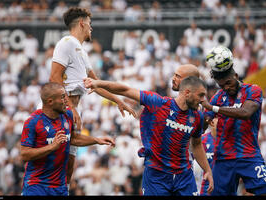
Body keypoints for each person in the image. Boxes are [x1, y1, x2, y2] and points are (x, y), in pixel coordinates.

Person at [83, 76, 214, 196]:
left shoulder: (197, 116)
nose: (203, 100)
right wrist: (97, 83)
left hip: (184, 176)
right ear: (187, 92)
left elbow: (196, 144)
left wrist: (207, 170)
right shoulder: (158, 103)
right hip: (156, 175)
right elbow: (125, 90)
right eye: (201, 95)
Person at [49, 7, 136, 186]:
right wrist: (70, 107)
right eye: (90, 24)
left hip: (73, 108)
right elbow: (54, 77)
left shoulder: (82, 51)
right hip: (61, 109)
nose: (91, 28)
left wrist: (118, 101)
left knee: (70, 164)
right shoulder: (66, 42)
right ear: (82, 23)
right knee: (55, 161)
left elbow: (96, 84)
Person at [20, 82, 115, 196]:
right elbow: (24, 154)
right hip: (36, 185)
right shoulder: (33, 121)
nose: (66, 100)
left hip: (60, 186)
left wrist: (96, 140)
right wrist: (52, 147)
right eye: (62, 97)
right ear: (50, 101)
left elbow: (73, 138)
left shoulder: (68, 115)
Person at [202, 46, 266, 196]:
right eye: (222, 86)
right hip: (224, 157)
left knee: (265, 192)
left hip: (249, 154)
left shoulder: (253, 90)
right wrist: (200, 114)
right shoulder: (218, 97)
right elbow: (203, 122)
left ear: (236, 76)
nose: (226, 88)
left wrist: (214, 109)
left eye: (228, 83)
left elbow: (246, 113)